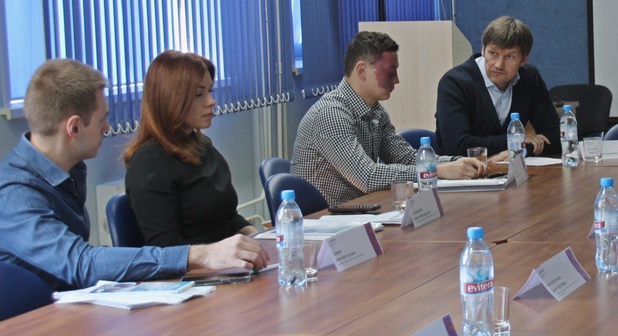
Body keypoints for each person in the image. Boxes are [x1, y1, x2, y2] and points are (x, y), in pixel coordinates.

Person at [0, 59, 266, 291]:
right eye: (103, 119)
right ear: (74, 127)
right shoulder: (10, 193)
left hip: (65, 314)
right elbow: (81, 263)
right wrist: (198, 255)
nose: (108, 128)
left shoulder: (68, 172)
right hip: (19, 334)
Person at [292, 31, 485, 206]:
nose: (396, 80)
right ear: (361, 70)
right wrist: (435, 170)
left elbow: (406, 158)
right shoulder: (331, 114)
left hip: (362, 210)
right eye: (390, 72)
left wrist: (458, 162)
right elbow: (367, 177)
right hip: (324, 220)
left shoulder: (375, 111)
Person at [123, 51, 258, 247]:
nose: (211, 101)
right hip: (194, 264)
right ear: (170, 99)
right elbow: (168, 248)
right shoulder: (148, 162)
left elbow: (228, 218)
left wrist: (261, 238)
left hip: (226, 258)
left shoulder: (201, 145)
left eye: (210, 91)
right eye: (198, 94)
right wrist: (222, 254)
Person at [433, 16, 560, 156]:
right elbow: (458, 146)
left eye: (510, 57)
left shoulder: (529, 79)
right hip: (462, 169)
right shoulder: (454, 83)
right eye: (493, 53)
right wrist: (515, 143)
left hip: (509, 167)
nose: (499, 65)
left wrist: (518, 151)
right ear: (483, 50)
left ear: (524, 60)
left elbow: (557, 137)